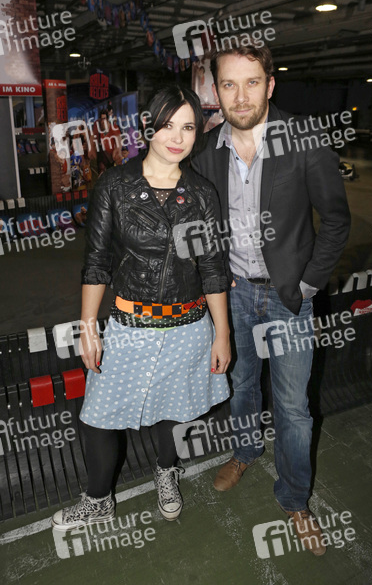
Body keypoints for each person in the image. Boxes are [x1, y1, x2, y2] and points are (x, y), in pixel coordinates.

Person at [191, 42, 351, 556]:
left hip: (289, 297)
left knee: (293, 408)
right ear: (217, 92)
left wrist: (307, 286)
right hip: (233, 295)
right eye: (229, 85)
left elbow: (336, 220)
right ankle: (244, 451)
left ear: (270, 85)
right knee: (240, 386)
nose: (241, 96)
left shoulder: (304, 141)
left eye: (252, 82)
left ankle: (295, 500)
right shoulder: (206, 150)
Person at [52, 85, 231, 531]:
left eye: (188, 127)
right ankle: (98, 499)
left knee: (174, 410)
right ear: (148, 126)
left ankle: (166, 472)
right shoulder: (115, 185)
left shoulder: (202, 193)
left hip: (189, 327)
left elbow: (212, 268)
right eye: (168, 125)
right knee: (97, 418)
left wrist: (222, 333)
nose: (178, 137)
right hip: (129, 326)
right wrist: (89, 327)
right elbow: (96, 263)